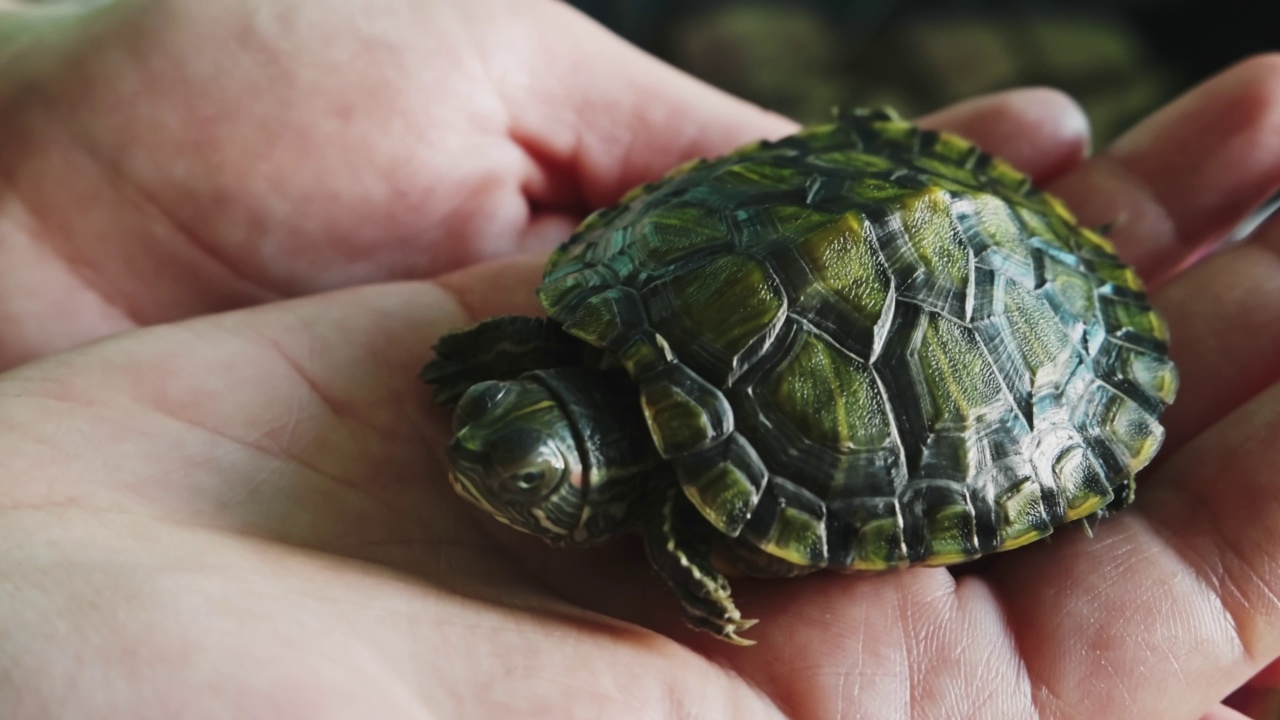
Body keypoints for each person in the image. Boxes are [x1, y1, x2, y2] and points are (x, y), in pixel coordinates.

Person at [0, 1, 1277, 717]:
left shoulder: (665, 477)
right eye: (514, 449)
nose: (488, 460)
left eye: (524, 475)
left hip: (986, 300)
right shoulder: (573, 341)